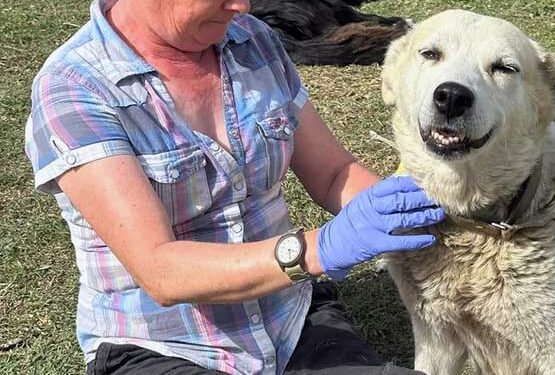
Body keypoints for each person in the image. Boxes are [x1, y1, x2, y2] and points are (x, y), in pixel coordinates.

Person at [25, 0, 444, 374]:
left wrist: (406, 211)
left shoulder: (252, 41)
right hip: (165, 347)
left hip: (291, 319)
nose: (242, 6)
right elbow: (161, 271)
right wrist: (318, 249)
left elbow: (333, 172)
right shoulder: (74, 89)